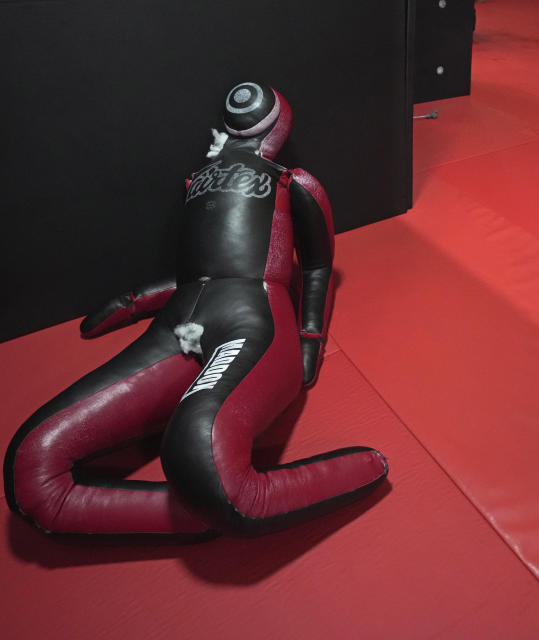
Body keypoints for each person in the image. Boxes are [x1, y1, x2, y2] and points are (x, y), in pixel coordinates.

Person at [3, 82, 389, 538]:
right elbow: (201, 272)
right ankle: (210, 509)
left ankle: (238, 496)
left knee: (197, 446)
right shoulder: (196, 182)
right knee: (30, 458)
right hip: (179, 325)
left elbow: (319, 265)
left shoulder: (294, 182)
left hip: (252, 321)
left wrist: (308, 340)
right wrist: (133, 302)